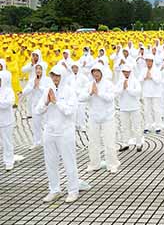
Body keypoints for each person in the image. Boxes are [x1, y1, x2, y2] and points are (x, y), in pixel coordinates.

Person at [34, 65, 80, 203]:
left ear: (63, 76)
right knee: (50, 163)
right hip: (49, 131)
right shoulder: (48, 90)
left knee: (69, 162)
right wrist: (47, 103)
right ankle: (54, 189)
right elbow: (38, 110)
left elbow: (70, 111)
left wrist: (56, 102)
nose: (55, 78)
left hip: (65, 132)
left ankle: (73, 190)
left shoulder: (70, 91)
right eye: (53, 75)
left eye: (57, 75)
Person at [79, 63, 120, 173]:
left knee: (109, 142)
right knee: (93, 142)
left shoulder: (108, 84)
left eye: (98, 71)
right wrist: (90, 93)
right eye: (94, 72)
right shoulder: (89, 85)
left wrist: (99, 93)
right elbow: (81, 98)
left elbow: (111, 98)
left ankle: (112, 164)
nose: (96, 74)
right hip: (94, 118)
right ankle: (94, 164)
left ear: (101, 72)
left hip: (108, 118)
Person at [116, 65, 143, 152]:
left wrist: (128, 89)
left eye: (127, 72)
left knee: (137, 126)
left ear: (131, 72)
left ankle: (139, 144)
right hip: (123, 107)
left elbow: (138, 92)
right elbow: (115, 92)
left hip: (135, 107)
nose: (126, 73)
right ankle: (125, 144)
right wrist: (122, 88)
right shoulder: (120, 82)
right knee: (124, 127)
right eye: (124, 71)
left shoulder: (135, 81)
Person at [22, 62, 49, 149]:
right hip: (35, 105)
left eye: (40, 69)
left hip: (45, 105)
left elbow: (48, 91)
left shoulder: (47, 80)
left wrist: (39, 87)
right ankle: (37, 141)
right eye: (36, 69)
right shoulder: (32, 80)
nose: (38, 70)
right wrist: (32, 86)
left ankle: (47, 142)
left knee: (46, 124)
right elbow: (26, 90)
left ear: (43, 70)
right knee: (35, 124)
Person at [139, 54, 163, 134]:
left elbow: (159, 80)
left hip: (156, 93)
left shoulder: (157, 70)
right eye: (147, 61)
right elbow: (140, 79)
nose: (148, 63)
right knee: (147, 110)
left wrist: (152, 77)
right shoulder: (143, 70)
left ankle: (158, 126)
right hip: (146, 93)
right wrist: (144, 77)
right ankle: (147, 126)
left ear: (152, 62)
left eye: (150, 61)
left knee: (156, 110)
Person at [0, 71, 16, 171]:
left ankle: (9, 161)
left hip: (6, 121)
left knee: (7, 142)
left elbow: (9, 103)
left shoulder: (8, 91)